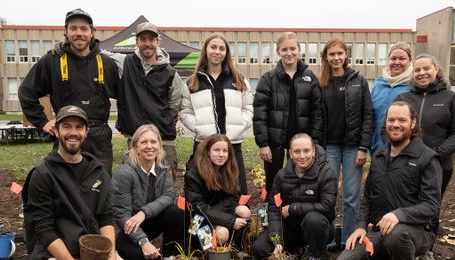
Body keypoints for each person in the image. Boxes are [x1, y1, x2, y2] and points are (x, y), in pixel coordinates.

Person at [22, 105, 151, 260]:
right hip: (62, 257)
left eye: (79, 127)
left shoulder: (98, 171)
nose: (73, 132)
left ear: (86, 131)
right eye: (67, 126)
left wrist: (110, 254)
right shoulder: (43, 174)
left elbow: (106, 217)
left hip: (96, 254)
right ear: (57, 130)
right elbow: (44, 230)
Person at [331, 101, 442, 260]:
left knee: (397, 234)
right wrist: (361, 227)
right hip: (378, 232)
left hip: (414, 233)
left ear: (413, 123)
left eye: (402, 120)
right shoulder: (380, 155)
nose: (395, 124)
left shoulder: (427, 158)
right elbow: (368, 198)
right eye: (391, 120)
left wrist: (399, 215)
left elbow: (431, 206)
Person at [19, 9, 121, 171]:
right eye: (73, 28)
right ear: (66, 32)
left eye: (84, 28)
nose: (79, 33)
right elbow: (26, 92)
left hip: (99, 138)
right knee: (64, 188)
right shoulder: (52, 61)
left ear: (92, 32)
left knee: (100, 188)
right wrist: (43, 122)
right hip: (67, 135)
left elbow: (125, 95)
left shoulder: (107, 63)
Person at [394, 54, 455, 260]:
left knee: (430, 208)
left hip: (438, 165)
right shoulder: (403, 98)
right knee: (405, 205)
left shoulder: (451, 99)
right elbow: (391, 127)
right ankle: (405, 247)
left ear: (436, 69)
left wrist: (434, 155)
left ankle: (426, 250)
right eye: (417, 70)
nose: (421, 73)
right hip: (406, 164)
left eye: (426, 68)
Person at [251, 133, 336, 260]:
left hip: (317, 229)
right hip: (290, 229)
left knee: (313, 220)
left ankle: (316, 258)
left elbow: (327, 206)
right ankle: (295, 252)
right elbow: (274, 208)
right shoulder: (282, 175)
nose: (302, 156)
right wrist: (277, 241)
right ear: (290, 153)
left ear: (314, 151)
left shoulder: (326, 173)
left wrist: (293, 208)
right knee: (259, 249)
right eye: (297, 151)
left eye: (306, 151)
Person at [179, 33, 253, 194]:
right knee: (204, 191)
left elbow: (248, 108)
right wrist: (199, 127)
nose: (217, 51)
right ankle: (206, 219)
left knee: (237, 190)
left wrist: (240, 126)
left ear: (226, 53)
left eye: (222, 48)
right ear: (206, 50)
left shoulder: (239, 80)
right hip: (203, 144)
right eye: (213, 47)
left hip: (232, 144)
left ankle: (240, 219)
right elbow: (185, 111)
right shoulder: (193, 81)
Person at [318, 38, 373, 245]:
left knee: (351, 196)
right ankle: (330, 239)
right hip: (329, 147)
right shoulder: (320, 82)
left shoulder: (358, 80)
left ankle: (350, 238)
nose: (336, 58)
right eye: (331, 54)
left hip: (353, 147)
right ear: (325, 57)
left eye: (339, 53)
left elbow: (368, 114)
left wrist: (363, 147)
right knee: (329, 195)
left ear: (346, 55)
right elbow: (317, 116)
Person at [111, 22, 187, 173]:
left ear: (157, 42)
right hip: (135, 139)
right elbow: (98, 53)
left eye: (151, 40)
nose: (147, 44)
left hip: (163, 139)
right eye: (143, 39)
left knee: (165, 185)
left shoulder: (171, 73)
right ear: (137, 42)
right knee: (135, 187)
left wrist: (161, 119)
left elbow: (175, 104)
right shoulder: (125, 62)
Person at [112, 124, 188, 260]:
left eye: (153, 142)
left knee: (175, 213)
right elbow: (121, 215)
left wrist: (143, 213)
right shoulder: (124, 174)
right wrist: (143, 241)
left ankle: (168, 258)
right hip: (124, 229)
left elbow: (168, 195)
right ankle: (117, 258)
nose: (149, 146)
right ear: (135, 146)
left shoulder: (162, 167)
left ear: (160, 145)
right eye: (144, 142)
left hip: (144, 220)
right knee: (136, 255)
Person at [253, 32, 323, 193]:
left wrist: (315, 142)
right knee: (273, 182)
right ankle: (273, 212)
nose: (289, 53)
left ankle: (295, 212)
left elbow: (317, 112)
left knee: (300, 182)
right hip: (274, 141)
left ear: (299, 50)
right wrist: (263, 144)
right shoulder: (268, 79)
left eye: (293, 49)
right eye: (284, 49)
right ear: (278, 52)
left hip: (301, 142)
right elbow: (260, 114)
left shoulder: (310, 77)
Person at [183, 134, 251, 245]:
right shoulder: (193, 173)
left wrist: (222, 216)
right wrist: (230, 220)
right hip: (197, 220)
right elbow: (198, 207)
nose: (221, 155)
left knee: (244, 211)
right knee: (222, 233)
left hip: (219, 213)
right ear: (208, 151)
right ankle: (206, 254)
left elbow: (235, 196)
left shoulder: (229, 168)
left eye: (225, 151)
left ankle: (233, 246)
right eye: (216, 150)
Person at [370, 42, 413, 154]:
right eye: (393, 58)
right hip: (378, 148)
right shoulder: (378, 84)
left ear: (410, 61)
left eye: (402, 58)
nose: (397, 62)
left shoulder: (414, 86)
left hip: (405, 149)